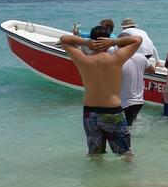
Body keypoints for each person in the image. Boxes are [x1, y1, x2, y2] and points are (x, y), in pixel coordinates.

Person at [59, 26, 142, 159]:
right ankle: (130, 179)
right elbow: (137, 40)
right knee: (125, 154)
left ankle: (95, 179)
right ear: (107, 41)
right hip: (112, 112)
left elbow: (64, 39)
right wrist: (114, 42)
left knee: (94, 155)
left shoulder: (83, 59)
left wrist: (86, 42)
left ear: (92, 40)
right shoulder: (116, 58)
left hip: (90, 114)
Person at [119, 46, 157, 127]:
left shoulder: (119, 60)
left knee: (125, 129)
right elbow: (152, 70)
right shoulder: (141, 57)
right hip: (139, 102)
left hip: (125, 103)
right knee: (131, 125)